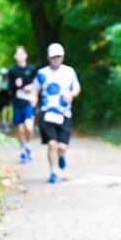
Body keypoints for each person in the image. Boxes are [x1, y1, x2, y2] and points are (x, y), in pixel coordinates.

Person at [33, 43, 81, 184]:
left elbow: (77, 86)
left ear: (62, 57)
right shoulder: (42, 73)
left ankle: (62, 155)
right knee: (52, 144)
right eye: (53, 56)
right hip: (47, 112)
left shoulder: (69, 71)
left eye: (58, 56)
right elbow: (35, 89)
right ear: (48, 58)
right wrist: (34, 99)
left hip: (64, 113)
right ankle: (53, 171)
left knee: (62, 146)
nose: (56, 59)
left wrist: (71, 94)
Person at [8, 46, 38, 163]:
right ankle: (23, 149)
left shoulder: (32, 69)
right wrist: (15, 85)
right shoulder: (12, 71)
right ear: (15, 57)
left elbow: (38, 84)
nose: (20, 56)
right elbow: (9, 89)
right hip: (17, 103)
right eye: (18, 54)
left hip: (28, 102)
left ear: (26, 55)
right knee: (20, 130)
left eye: (22, 54)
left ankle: (28, 145)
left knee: (29, 127)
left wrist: (31, 88)